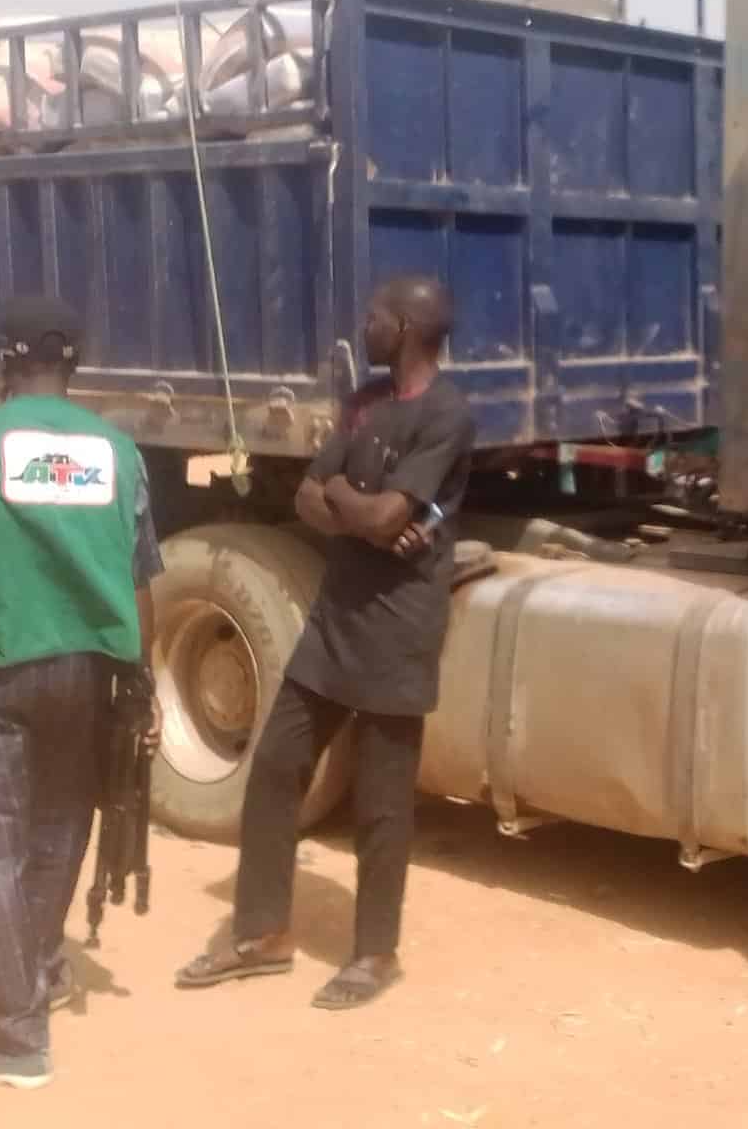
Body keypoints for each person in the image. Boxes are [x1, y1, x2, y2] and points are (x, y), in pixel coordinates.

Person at [176, 275, 474, 1010]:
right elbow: (315, 498)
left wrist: (356, 509)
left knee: (381, 799)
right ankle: (262, 935)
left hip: (399, 628)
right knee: (277, 765)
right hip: (335, 619)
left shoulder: (447, 414)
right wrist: (356, 508)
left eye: (375, 315)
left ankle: (375, 954)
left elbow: (379, 516)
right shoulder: (363, 403)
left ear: (403, 327)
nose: (364, 324)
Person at [0, 293, 163, 1089]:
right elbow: (141, 579)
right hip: (92, 673)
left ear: (4, 360)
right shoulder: (120, 452)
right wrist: (142, 681)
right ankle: (43, 964)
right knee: (59, 830)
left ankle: (19, 1038)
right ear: (74, 365)